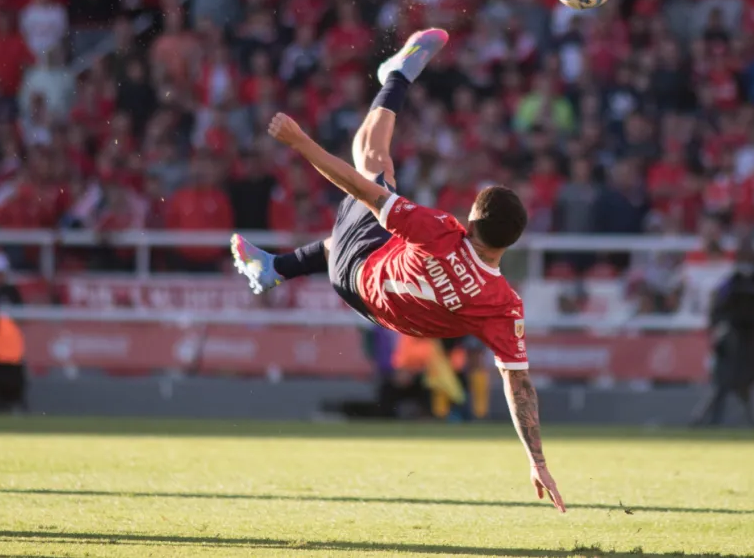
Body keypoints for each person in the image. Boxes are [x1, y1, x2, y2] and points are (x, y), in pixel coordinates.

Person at [230, 29, 566, 513]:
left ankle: (397, 78)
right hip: (377, 307)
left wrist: (299, 141)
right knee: (366, 215)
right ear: (509, 243)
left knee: (371, 162)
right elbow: (520, 386)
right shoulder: (504, 306)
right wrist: (537, 460)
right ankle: (274, 268)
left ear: (472, 221)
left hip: (360, 269)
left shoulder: (441, 231)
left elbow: (357, 187)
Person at [690, 242, 754, 428]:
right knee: (722, 386)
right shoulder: (729, 284)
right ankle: (704, 422)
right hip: (732, 344)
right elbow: (716, 313)